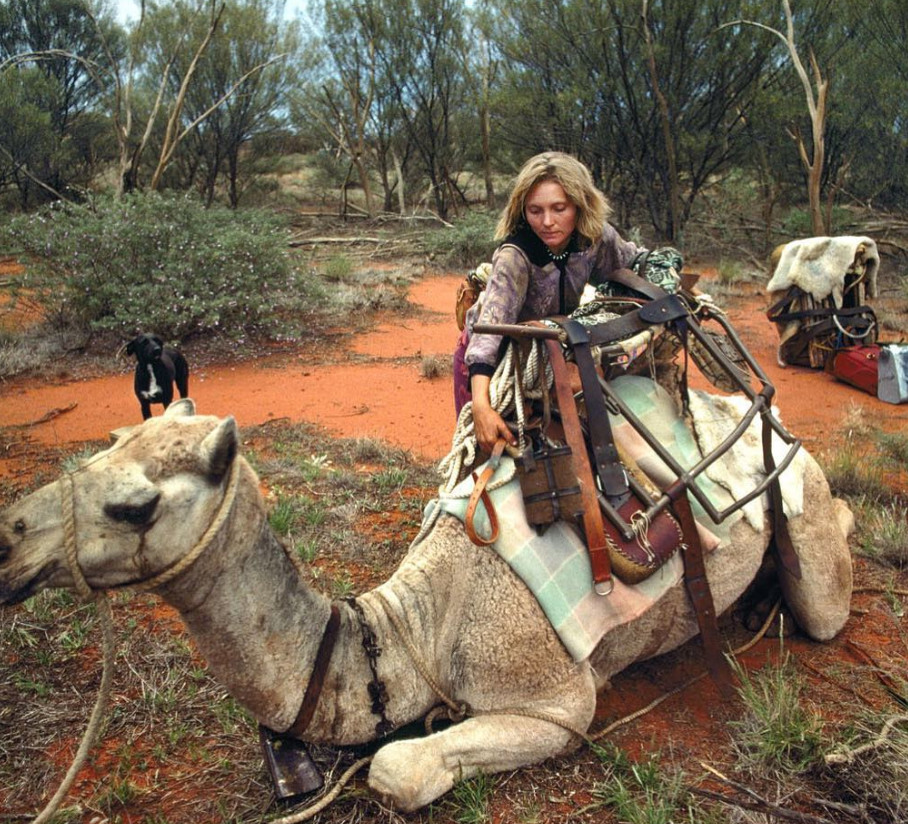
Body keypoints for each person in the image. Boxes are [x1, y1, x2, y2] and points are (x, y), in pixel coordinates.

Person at [454, 151, 646, 454]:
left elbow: (632, 264)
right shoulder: (515, 257)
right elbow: (486, 337)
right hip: (494, 362)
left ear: (580, 205)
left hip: (553, 352)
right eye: (535, 210)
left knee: (563, 443)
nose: (547, 222)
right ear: (523, 210)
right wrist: (480, 405)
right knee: (487, 449)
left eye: (559, 209)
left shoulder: (594, 238)